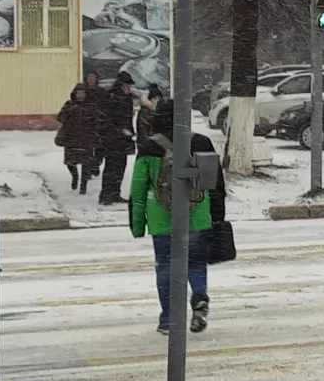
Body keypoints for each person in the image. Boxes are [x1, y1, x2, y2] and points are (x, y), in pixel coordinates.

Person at [127, 98, 224, 336]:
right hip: (197, 214)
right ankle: (199, 297)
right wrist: (216, 216)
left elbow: (138, 191)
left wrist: (138, 225)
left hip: (161, 219)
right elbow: (215, 185)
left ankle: (169, 319)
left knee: (166, 266)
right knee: (196, 262)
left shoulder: (149, 147)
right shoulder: (201, 142)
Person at [94, 74, 138, 205]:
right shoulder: (111, 98)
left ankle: (114, 193)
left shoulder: (126, 98)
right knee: (111, 167)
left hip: (123, 139)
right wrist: (119, 131)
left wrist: (129, 134)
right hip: (112, 140)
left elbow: (126, 119)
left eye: (130, 86)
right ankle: (106, 194)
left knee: (120, 167)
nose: (129, 88)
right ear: (120, 85)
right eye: (127, 85)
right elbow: (105, 120)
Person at [54, 84, 102, 194]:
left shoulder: (91, 106)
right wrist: (70, 112)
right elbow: (60, 117)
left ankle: (83, 185)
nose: (80, 96)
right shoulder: (69, 104)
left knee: (86, 164)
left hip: (86, 138)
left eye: (82, 93)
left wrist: (95, 134)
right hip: (71, 138)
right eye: (78, 93)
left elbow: (97, 121)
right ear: (74, 94)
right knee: (70, 162)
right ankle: (75, 176)